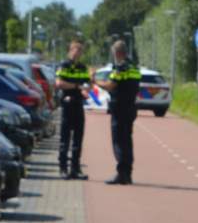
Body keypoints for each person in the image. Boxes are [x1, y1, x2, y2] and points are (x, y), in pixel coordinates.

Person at [94, 39, 143, 186]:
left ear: (115, 52)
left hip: (120, 107)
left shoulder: (121, 67)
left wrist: (95, 81)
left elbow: (110, 86)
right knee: (128, 140)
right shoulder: (134, 66)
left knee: (119, 141)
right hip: (131, 107)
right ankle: (128, 173)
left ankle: (121, 174)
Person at [54, 39, 93, 179]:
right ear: (71, 50)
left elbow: (87, 85)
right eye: (78, 49)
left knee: (78, 138)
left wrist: (89, 84)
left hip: (78, 105)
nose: (80, 53)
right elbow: (59, 83)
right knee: (65, 138)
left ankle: (75, 169)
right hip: (67, 105)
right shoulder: (64, 66)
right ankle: (63, 168)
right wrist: (76, 86)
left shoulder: (83, 67)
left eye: (82, 50)